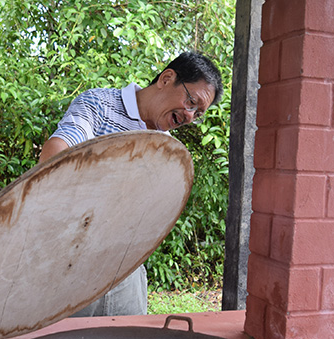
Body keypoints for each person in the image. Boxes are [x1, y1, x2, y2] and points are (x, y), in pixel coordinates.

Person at [39, 51, 223, 317]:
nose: (190, 116)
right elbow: (55, 154)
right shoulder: (99, 104)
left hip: (128, 271)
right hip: (73, 265)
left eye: (198, 113)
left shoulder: (166, 147)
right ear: (167, 78)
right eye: (191, 101)